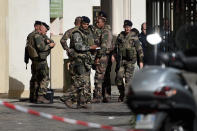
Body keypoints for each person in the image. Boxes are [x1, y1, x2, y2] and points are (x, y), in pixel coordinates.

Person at [63, 16, 97, 109]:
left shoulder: (88, 32)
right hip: (78, 60)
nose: (85, 26)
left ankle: (81, 101)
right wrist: (68, 50)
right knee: (80, 80)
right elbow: (78, 46)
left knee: (85, 81)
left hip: (86, 60)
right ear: (80, 23)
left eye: (87, 24)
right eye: (84, 24)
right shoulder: (76, 33)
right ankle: (67, 97)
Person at [113, 20, 144, 102]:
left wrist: (141, 61)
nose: (127, 29)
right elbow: (115, 46)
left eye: (129, 27)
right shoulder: (120, 36)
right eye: (126, 27)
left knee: (128, 79)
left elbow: (139, 50)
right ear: (124, 27)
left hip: (130, 61)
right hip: (121, 60)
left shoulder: (134, 36)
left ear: (131, 27)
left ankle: (127, 96)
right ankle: (122, 93)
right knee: (118, 78)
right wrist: (114, 55)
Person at [60, 17, 82, 103]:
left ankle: (74, 98)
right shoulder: (84, 31)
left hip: (73, 57)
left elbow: (62, 40)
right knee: (83, 77)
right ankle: (81, 97)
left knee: (73, 77)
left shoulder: (71, 31)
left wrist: (67, 49)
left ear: (75, 22)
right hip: (82, 57)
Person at [92, 14, 113, 103]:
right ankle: (107, 96)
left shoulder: (104, 32)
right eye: (96, 22)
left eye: (98, 22)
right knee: (106, 77)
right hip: (106, 56)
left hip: (102, 56)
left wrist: (98, 57)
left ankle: (98, 96)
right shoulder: (106, 30)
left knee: (99, 76)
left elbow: (103, 46)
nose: (96, 23)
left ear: (103, 23)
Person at [33, 22, 55, 103]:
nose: (46, 33)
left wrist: (47, 39)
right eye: (45, 31)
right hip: (41, 61)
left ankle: (36, 96)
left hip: (38, 60)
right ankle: (41, 96)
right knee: (45, 78)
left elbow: (51, 41)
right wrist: (49, 45)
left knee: (39, 79)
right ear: (41, 28)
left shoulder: (41, 36)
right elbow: (41, 48)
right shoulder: (37, 36)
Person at [25, 21, 42, 103]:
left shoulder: (30, 35)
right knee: (37, 78)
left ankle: (32, 96)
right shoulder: (36, 35)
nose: (40, 28)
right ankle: (36, 97)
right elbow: (40, 47)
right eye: (39, 27)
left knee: (34, 77)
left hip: (32, 58)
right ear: (36, 27)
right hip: (37, 58)